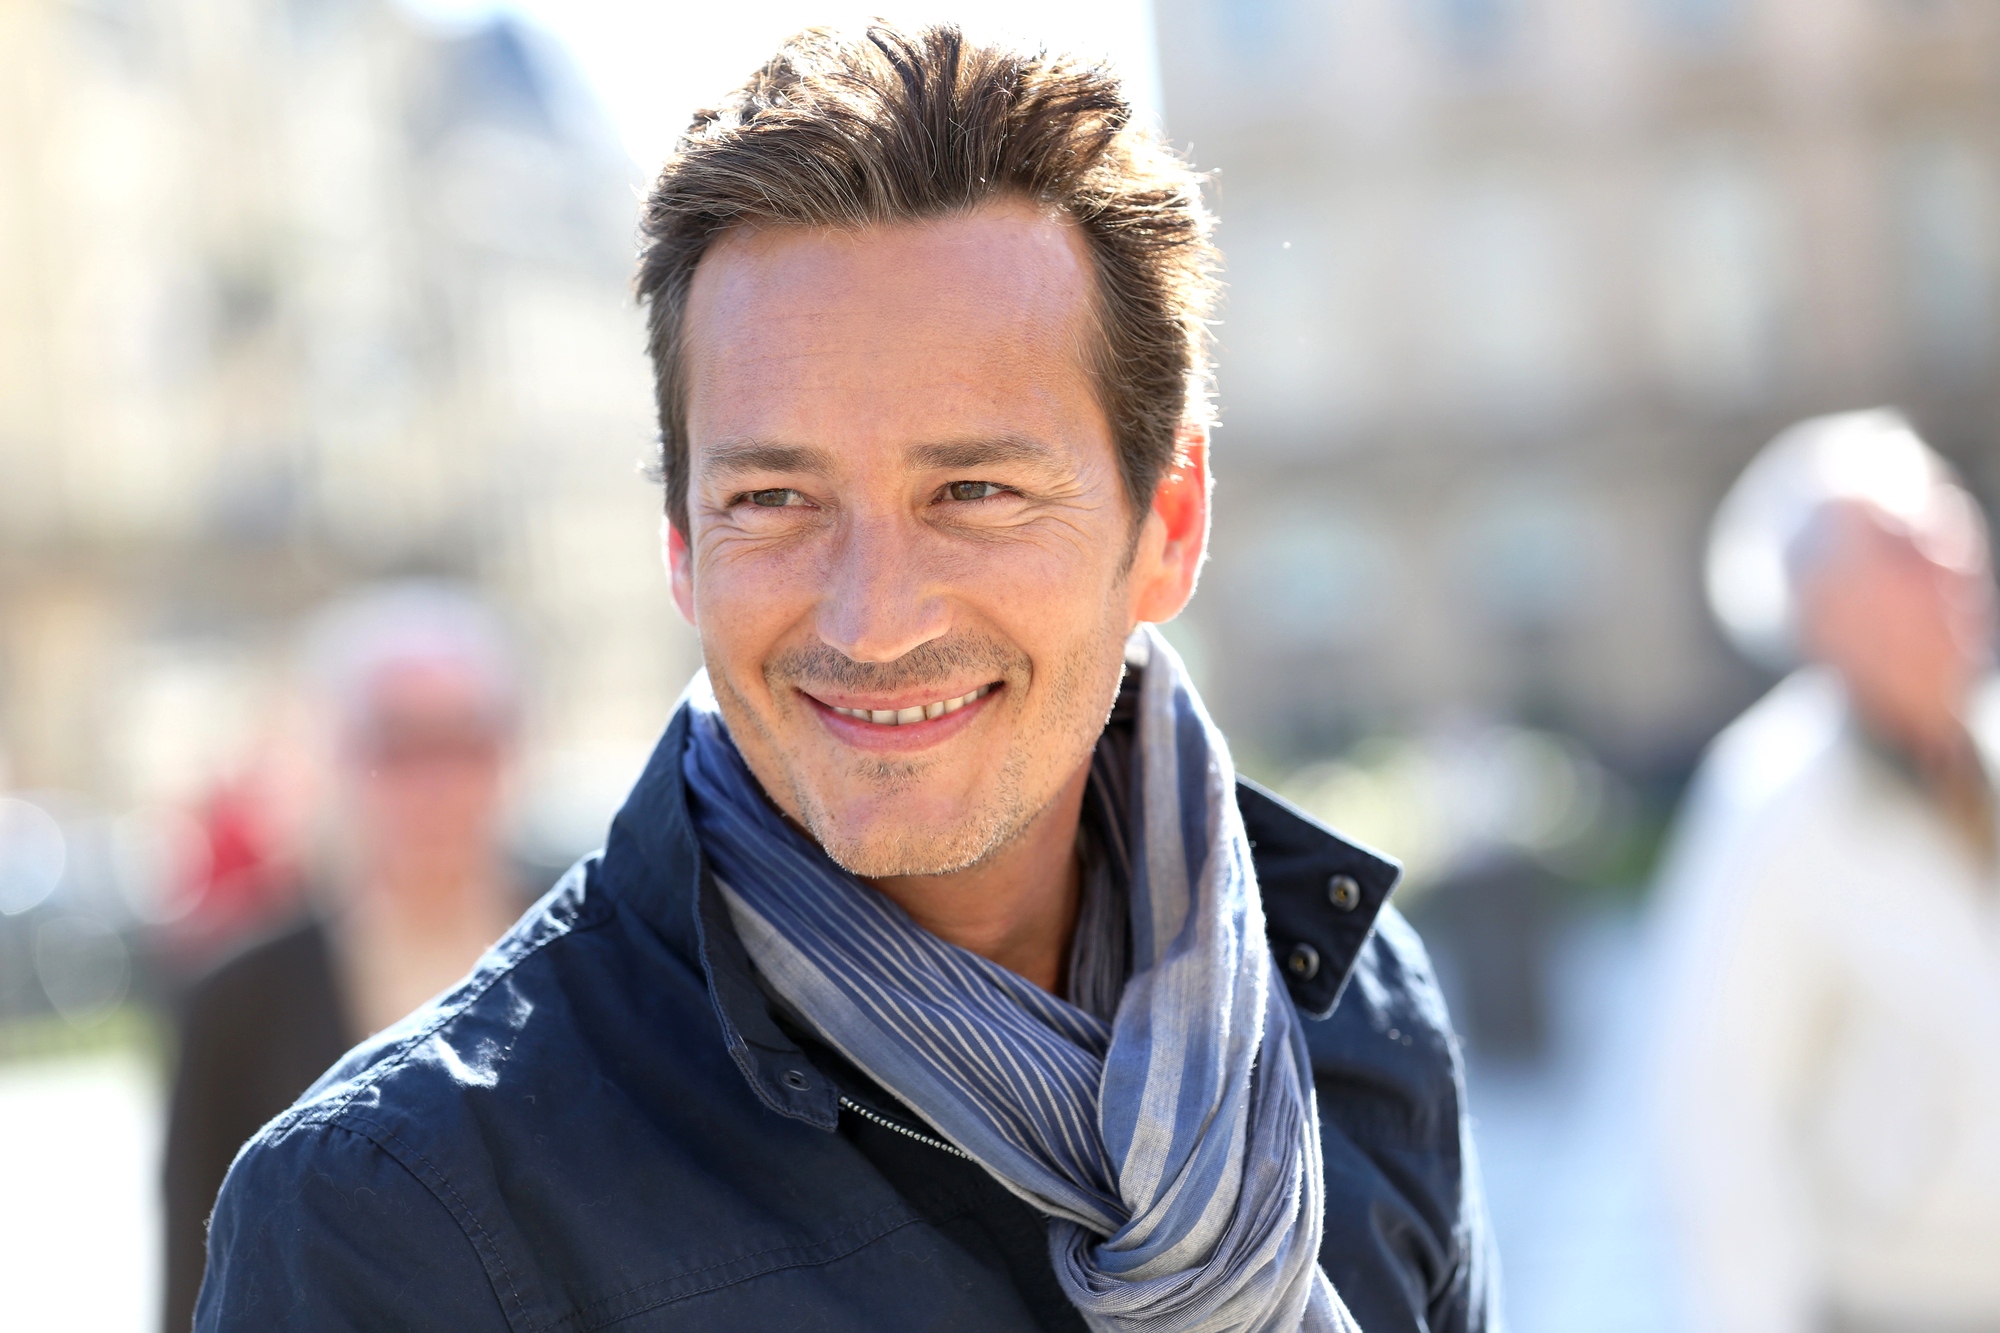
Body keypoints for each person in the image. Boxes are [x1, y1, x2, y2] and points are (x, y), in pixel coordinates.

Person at [194, 25, 1497, 1332]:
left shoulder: (1356, 1016)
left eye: (975, 491)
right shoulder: (389, 1218)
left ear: (1168, 526)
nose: (873, 623)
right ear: (682, 550)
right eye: (773, 497)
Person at [1654, 409, 2000, 1333]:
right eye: (1904, 543)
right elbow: (1721, 1124)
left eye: (1952, 517)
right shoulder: (1768, 804)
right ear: (1824, 610)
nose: (1955, 555)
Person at [162, 581, 525, 1333]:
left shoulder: (600, 948)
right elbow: (195, 1276)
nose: (436, 784)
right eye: (397, 746)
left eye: (465, 742)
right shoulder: (242, 998)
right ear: (333, 757)